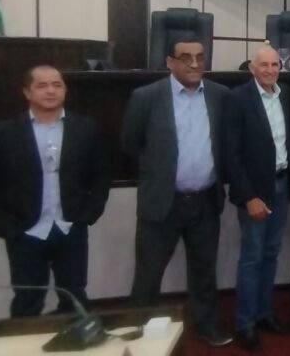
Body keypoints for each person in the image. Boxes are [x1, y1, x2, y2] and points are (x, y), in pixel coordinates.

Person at [0, 65, 110, 318]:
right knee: (27, 301)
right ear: (27, 92)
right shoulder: (4, 132)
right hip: (25, 232)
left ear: (65, 90)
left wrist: (89, 214)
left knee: (75, 297)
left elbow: (101, 175)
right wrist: (4, 226)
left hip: (70, 228)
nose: (51, 91)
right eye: (42, 85)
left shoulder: (85, 128)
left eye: (57, 85)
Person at [123, 38, 232, 347]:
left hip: (205, 201)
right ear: (170, 62)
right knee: (148, 273)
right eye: (186, 57)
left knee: (204, 271)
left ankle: (206, 324)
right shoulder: (146, 97)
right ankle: (138, 329)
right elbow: (130, 144)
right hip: (163, 202)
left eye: (200, 57)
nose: (195, 63)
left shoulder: (220, 95)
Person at [222, 46, 290, 351]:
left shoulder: (285, 94)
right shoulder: (238, 98)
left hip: (281, 184)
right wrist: (248, 196)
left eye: (275, 64)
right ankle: (246, 323)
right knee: (252, 258)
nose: (269, 70)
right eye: (263, 65)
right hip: (255, 190)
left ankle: (264, 314)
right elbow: (231, 154)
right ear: (252, 68)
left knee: (271, 253)